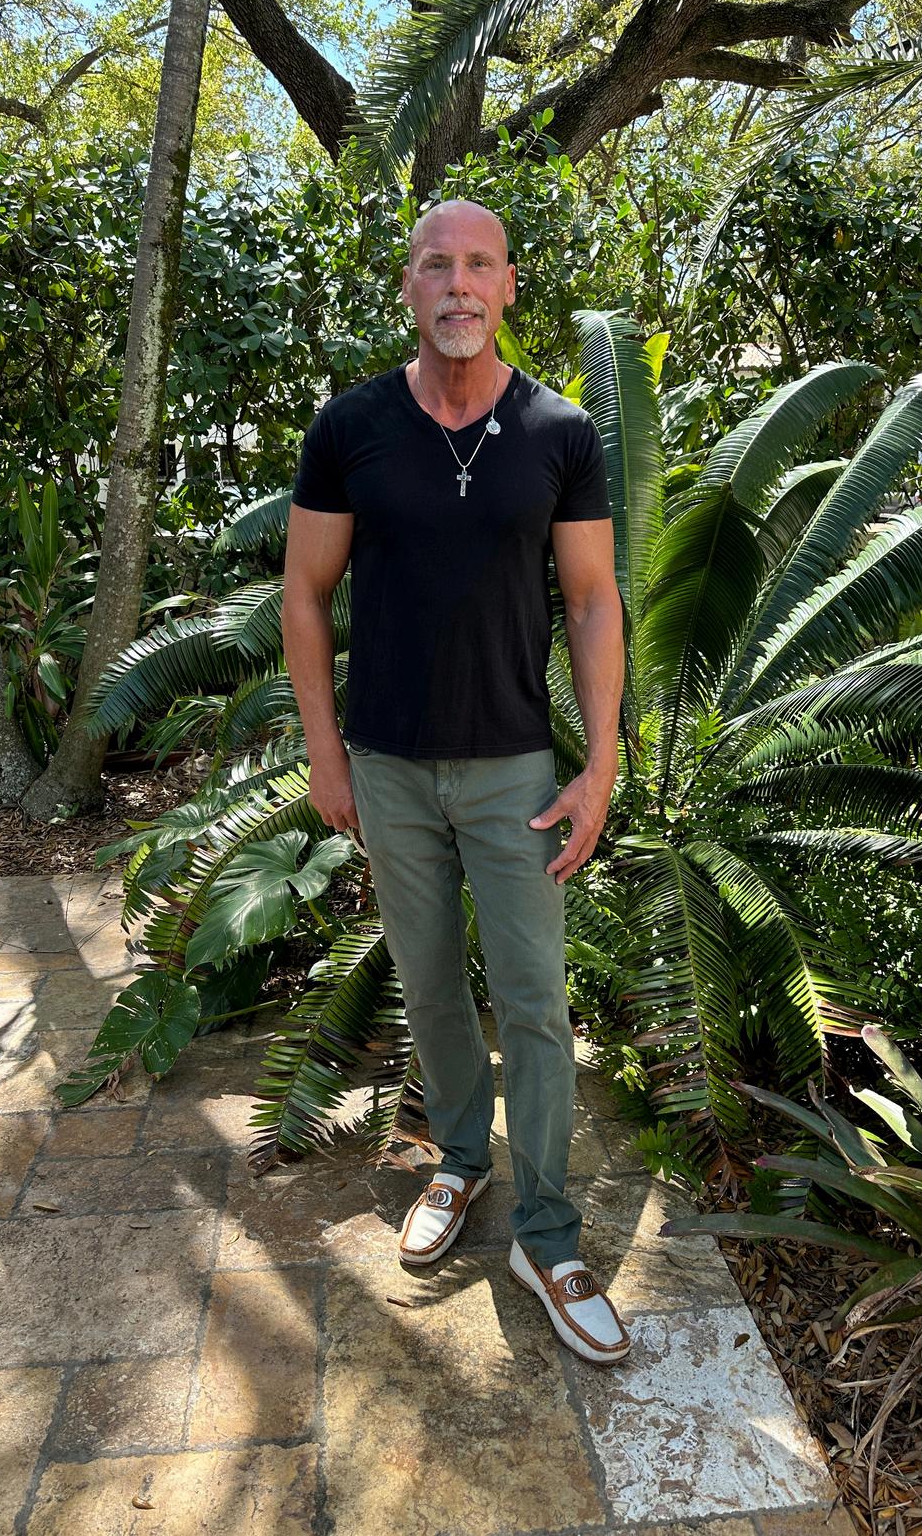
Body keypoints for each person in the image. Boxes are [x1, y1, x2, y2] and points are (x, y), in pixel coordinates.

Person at [281, 198, 631, 1364]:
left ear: (508, 284)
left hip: (514, 769)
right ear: (409, 286)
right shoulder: (352, 426)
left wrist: (598, 762)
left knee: (532, 998)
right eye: (437, 264)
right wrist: (326, 752)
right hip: (387, 767)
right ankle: (462, 1161)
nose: (459, 284)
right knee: (429, 985)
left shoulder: (557, 432)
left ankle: (547, 1233)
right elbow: (304, 595)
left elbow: (591, 599)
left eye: (480, 263)